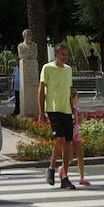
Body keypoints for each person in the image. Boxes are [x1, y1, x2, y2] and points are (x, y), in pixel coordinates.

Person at [37, 42, 78, 189]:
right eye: (62, 54)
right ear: (56, 54)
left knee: (68, 143)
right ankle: (51, 167)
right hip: (53, 109)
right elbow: (41, 90)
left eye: (66, 54)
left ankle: (64, 175)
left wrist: (73, 109)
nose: (64, 57)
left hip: (66, 109)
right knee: (59, 140)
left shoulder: (68, 70)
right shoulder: (47, 68)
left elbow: (69, 90)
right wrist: (41, 112)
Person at [70, 106, 90, 187]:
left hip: (76, 135)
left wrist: (80, 117)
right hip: (69, 136)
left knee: (80, 156)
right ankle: (62, 170)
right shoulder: (67, 109)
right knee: (69, 159)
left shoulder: (76, 110)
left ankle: (82, 178)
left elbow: (79, 121)